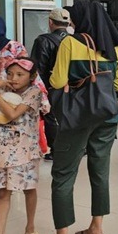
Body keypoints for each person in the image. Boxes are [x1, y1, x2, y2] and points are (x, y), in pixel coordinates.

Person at [39, 0, 118, 234]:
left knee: (63, 175)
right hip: (107, 117)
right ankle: (96, 228)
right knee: (100, 173)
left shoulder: (70, 43)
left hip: (77, 118)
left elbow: (57, 81)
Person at [0, 58, 43, 234]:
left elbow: (13, 114)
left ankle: (30, 227)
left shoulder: (34, 92)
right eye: (10, 74)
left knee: (29, 189)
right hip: (1, 150)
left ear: (32, 76)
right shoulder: (4, 89)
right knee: (3, 192)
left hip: (24, 151)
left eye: (20, 74)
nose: (14, 78)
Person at [30, 8, 71, 160]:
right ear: (68, 24)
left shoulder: (43, 40)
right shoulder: (75, 40)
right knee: (69, 116)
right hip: (72, 87)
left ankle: (56, 150)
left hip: (51, 87)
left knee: (50, 117)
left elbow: (38, 69)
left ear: (50, 22)